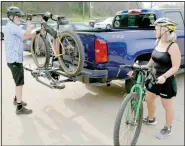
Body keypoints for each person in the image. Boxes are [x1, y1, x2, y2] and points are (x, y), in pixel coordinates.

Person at [128, 17, 181, 139]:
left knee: (166, 105)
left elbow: (176, 66)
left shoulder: (173, 46)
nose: (154, 31)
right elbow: (153, 57)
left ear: (165, 31)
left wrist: (164, 76)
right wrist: (146, 67)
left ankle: (168, 128)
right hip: (154, 77)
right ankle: (151, 119)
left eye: (156, 29)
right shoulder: (158, 42)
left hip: (166, 80)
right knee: (149, 99)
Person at [4, 6, 33, 115]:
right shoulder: (12, 27)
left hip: (14, 59)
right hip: (14, 60)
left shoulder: (11, 26)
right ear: (11, 17)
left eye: (20, 16)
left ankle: (17, 99)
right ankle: (19, 107)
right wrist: (29, 25)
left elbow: (23, 37)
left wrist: (32, 32)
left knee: (18, 82)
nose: (19, 18)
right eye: (17, 16)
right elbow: (27, 35)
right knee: (19, 83)